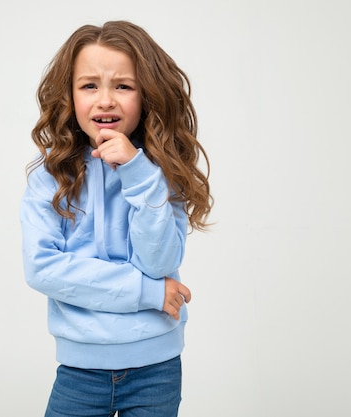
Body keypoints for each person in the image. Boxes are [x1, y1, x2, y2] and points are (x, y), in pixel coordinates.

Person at [20, 20, 212, 417]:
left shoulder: (161, 171)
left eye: (123, 86)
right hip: (80, 370)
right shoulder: (48, 176)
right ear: (70, 97)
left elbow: (157, 262)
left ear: (146, 96)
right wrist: (149, 294)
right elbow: (42, 268)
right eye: (90, 86)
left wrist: (138, 173)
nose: (105, 100)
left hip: (156, 370)